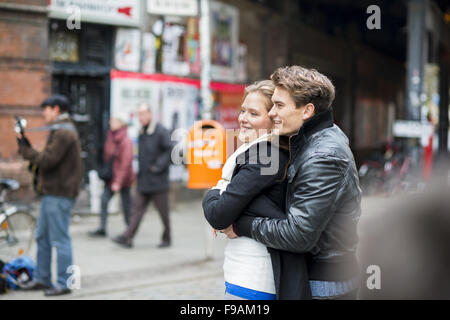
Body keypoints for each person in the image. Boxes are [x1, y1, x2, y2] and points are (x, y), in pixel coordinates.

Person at [223, 66, 362, 300]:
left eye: (279, 105)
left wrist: (240, 225)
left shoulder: (323, 156)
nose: (272, 113)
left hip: (325, 282)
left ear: (307, 110)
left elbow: (298, 235)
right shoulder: (312, 137)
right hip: (317, 273)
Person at [203, 80, 311, 300]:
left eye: (253, 113)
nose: (243, 118)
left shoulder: (265, 157)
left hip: (253, 277)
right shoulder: (260, 153)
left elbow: (218, 215)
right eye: (243, 110)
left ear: (273, 120)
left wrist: (213, 192)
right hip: (247, 275)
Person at [17, 94, 82, 296]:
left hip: (59, 193)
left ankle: (64, 282)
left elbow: (47, 160)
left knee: (60, 239)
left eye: (45, 110)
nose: (43, 114)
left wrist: (25, 149)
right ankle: (43, 279)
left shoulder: (63, 132)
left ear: (55, 109)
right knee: (42, 237)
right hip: (51, 192)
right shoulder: (61, 130)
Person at [112, 104, 173, 249]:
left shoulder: (160, 131)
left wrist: (158, 166)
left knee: (163, 214)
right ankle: (127, 237)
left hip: (158, 181)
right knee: (136, 210)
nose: (142, 117)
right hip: (144, 180)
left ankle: (167, 238)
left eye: (144, 113)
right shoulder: (141, 131)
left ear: (151, 114)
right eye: (139, 114)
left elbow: (170, 150)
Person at [89, 113, 134, 237]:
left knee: (126, 205)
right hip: (112, 177)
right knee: (104, 201)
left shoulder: (126, 141)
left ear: (121, 123)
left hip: (123, 179)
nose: (110, 123)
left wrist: (118, 182)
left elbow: (125, 163)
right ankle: (102, 228)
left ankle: (129, 231)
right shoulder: (110, 136)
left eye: (113, 121)